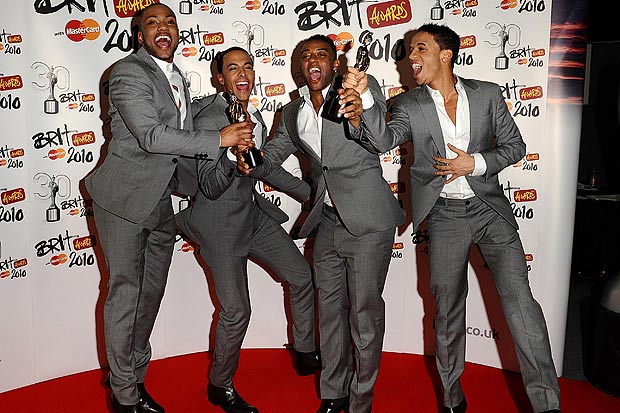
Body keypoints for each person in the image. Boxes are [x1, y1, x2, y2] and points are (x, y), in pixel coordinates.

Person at [354, 23, 561, 413]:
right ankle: (452, 399)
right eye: (408, 51)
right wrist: (366, 96)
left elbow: (516, 146)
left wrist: (476, 163)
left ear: (445, 54)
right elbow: (382, 140)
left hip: (490, 211)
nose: (410, 57)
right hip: (445, 215)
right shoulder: (408, 105)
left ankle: (548, 405)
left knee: (521, 305)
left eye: (420, 48)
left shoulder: (487, 94)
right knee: (447, 310)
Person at [84, 4, 254, 413]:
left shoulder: (177, 77)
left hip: (162, 202)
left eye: (170, 22)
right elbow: (150, 135)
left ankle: (131, 373)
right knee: (125, 294)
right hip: (123, 201)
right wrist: (218, 140)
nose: (163, 28)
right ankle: (126, 397)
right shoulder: (127, 73)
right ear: (139, 35)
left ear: (178, 33)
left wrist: (226, 158)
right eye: (152, 23)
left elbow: (181, 140)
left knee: (150, 296)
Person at [239, 34, 405, 413]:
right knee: (328, 312)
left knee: (363, 314)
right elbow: (274, 155)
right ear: (300, 67)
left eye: (322, 55)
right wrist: (252, 160)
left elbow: (381, 141)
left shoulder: (357, 88)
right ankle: (334, 394)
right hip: (327, 222)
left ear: (334, 64)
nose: (313, 60)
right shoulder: (293, 112)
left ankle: (361, 401)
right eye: (306, 55)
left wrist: (361, 106)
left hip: (367, 220)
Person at [175, 46, 321, 413]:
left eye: (249, 67)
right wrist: (229, 155)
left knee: (302, 277)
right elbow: (209, 186)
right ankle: (219, 385)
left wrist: (314, 197)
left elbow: (263, 167)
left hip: (252, 216)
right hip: (218, 223)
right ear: (220, 78)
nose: (243, 73)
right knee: (237, 310)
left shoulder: (250, 111)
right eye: (233, 68)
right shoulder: (210, 118)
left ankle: (304, 350)